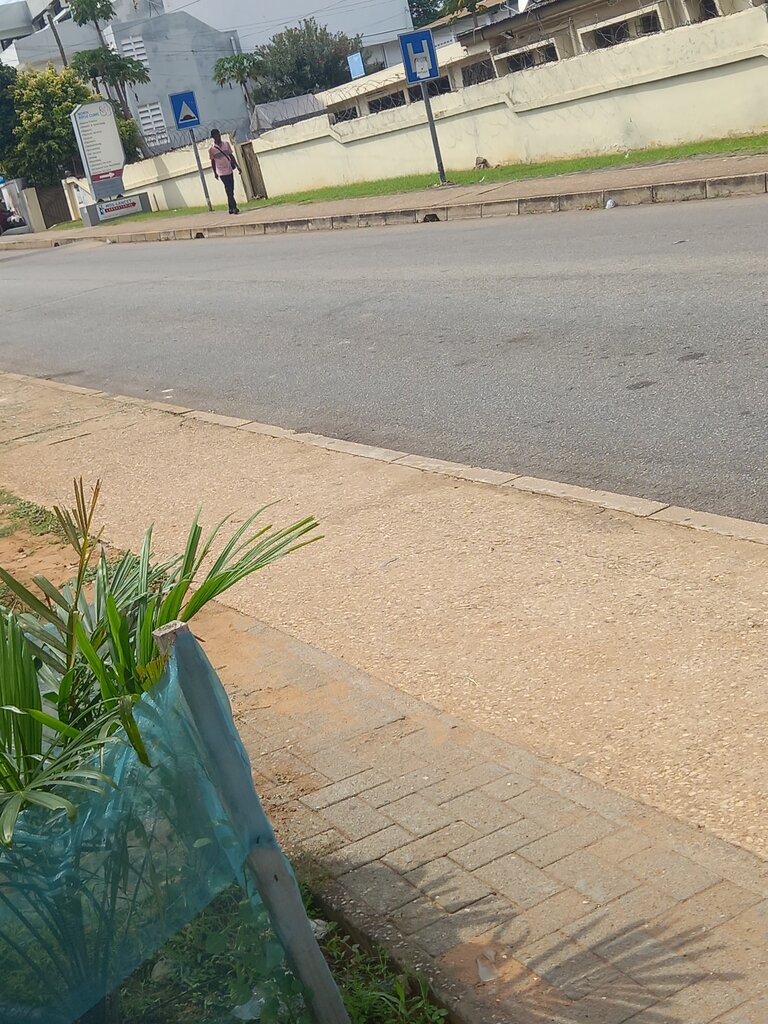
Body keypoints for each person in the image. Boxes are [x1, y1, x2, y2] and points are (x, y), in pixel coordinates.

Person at [209, 129, 240, 215]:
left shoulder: (226, 144)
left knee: (231, 189)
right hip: (221, 171)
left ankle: (230, 207)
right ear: (213, 137)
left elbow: (231, 156)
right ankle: (234, 207)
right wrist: (215, 173)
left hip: (229, 169)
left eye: (219, 135)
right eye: (216, 136)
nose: (218, 137)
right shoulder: (212, 149)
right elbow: (212, 162)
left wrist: (237, 166)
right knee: (228, 188)